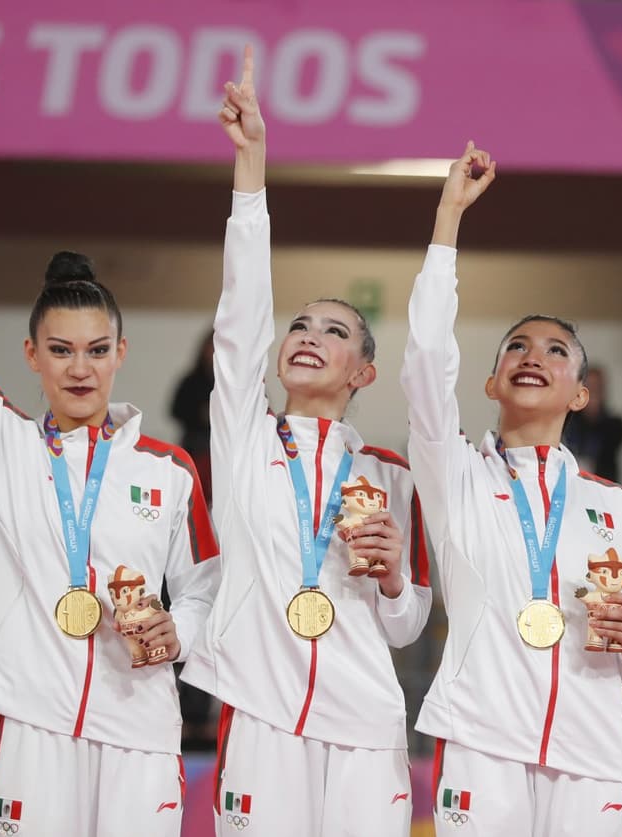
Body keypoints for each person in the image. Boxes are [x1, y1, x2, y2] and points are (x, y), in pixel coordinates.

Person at [0, 83, 219, 836]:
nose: (78, 368)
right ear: (32, 356)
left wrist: (183, 633)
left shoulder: (169, 469)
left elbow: (207, 587)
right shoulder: (7, 443)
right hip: (34, 728)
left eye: (93, 350)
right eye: (59, 351)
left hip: (141, 729)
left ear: (121, 353)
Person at [178, 48, 432, 837]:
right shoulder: (245, 438)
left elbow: (407, 625)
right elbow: (241, 314)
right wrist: (251, 165)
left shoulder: (390, 475)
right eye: (299, 325)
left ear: (364, 370)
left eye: (335, 330)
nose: (309, 336)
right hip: (261, 712)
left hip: (364, 720)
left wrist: (393, 576)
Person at [403, 141, 622, 836]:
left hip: (593, 751)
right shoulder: (453, 471)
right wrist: (448, 221)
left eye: (554, 352)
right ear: (490, 383)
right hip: (483, 739)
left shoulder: (615, 505)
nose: (532, 357)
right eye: (516, 346)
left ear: (581, 394)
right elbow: (426, 361)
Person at [169, 329, 216, 504]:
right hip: (197, 450)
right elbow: (175, 410)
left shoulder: (242, 383)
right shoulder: (191, 381)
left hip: (232, 456)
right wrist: (201, 414)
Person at [562, 366, 622, 482]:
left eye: (596, 388)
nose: (593, 393)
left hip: (603, 487)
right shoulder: (567, 422)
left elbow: (609, 445)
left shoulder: (615, 425)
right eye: (589, 388)